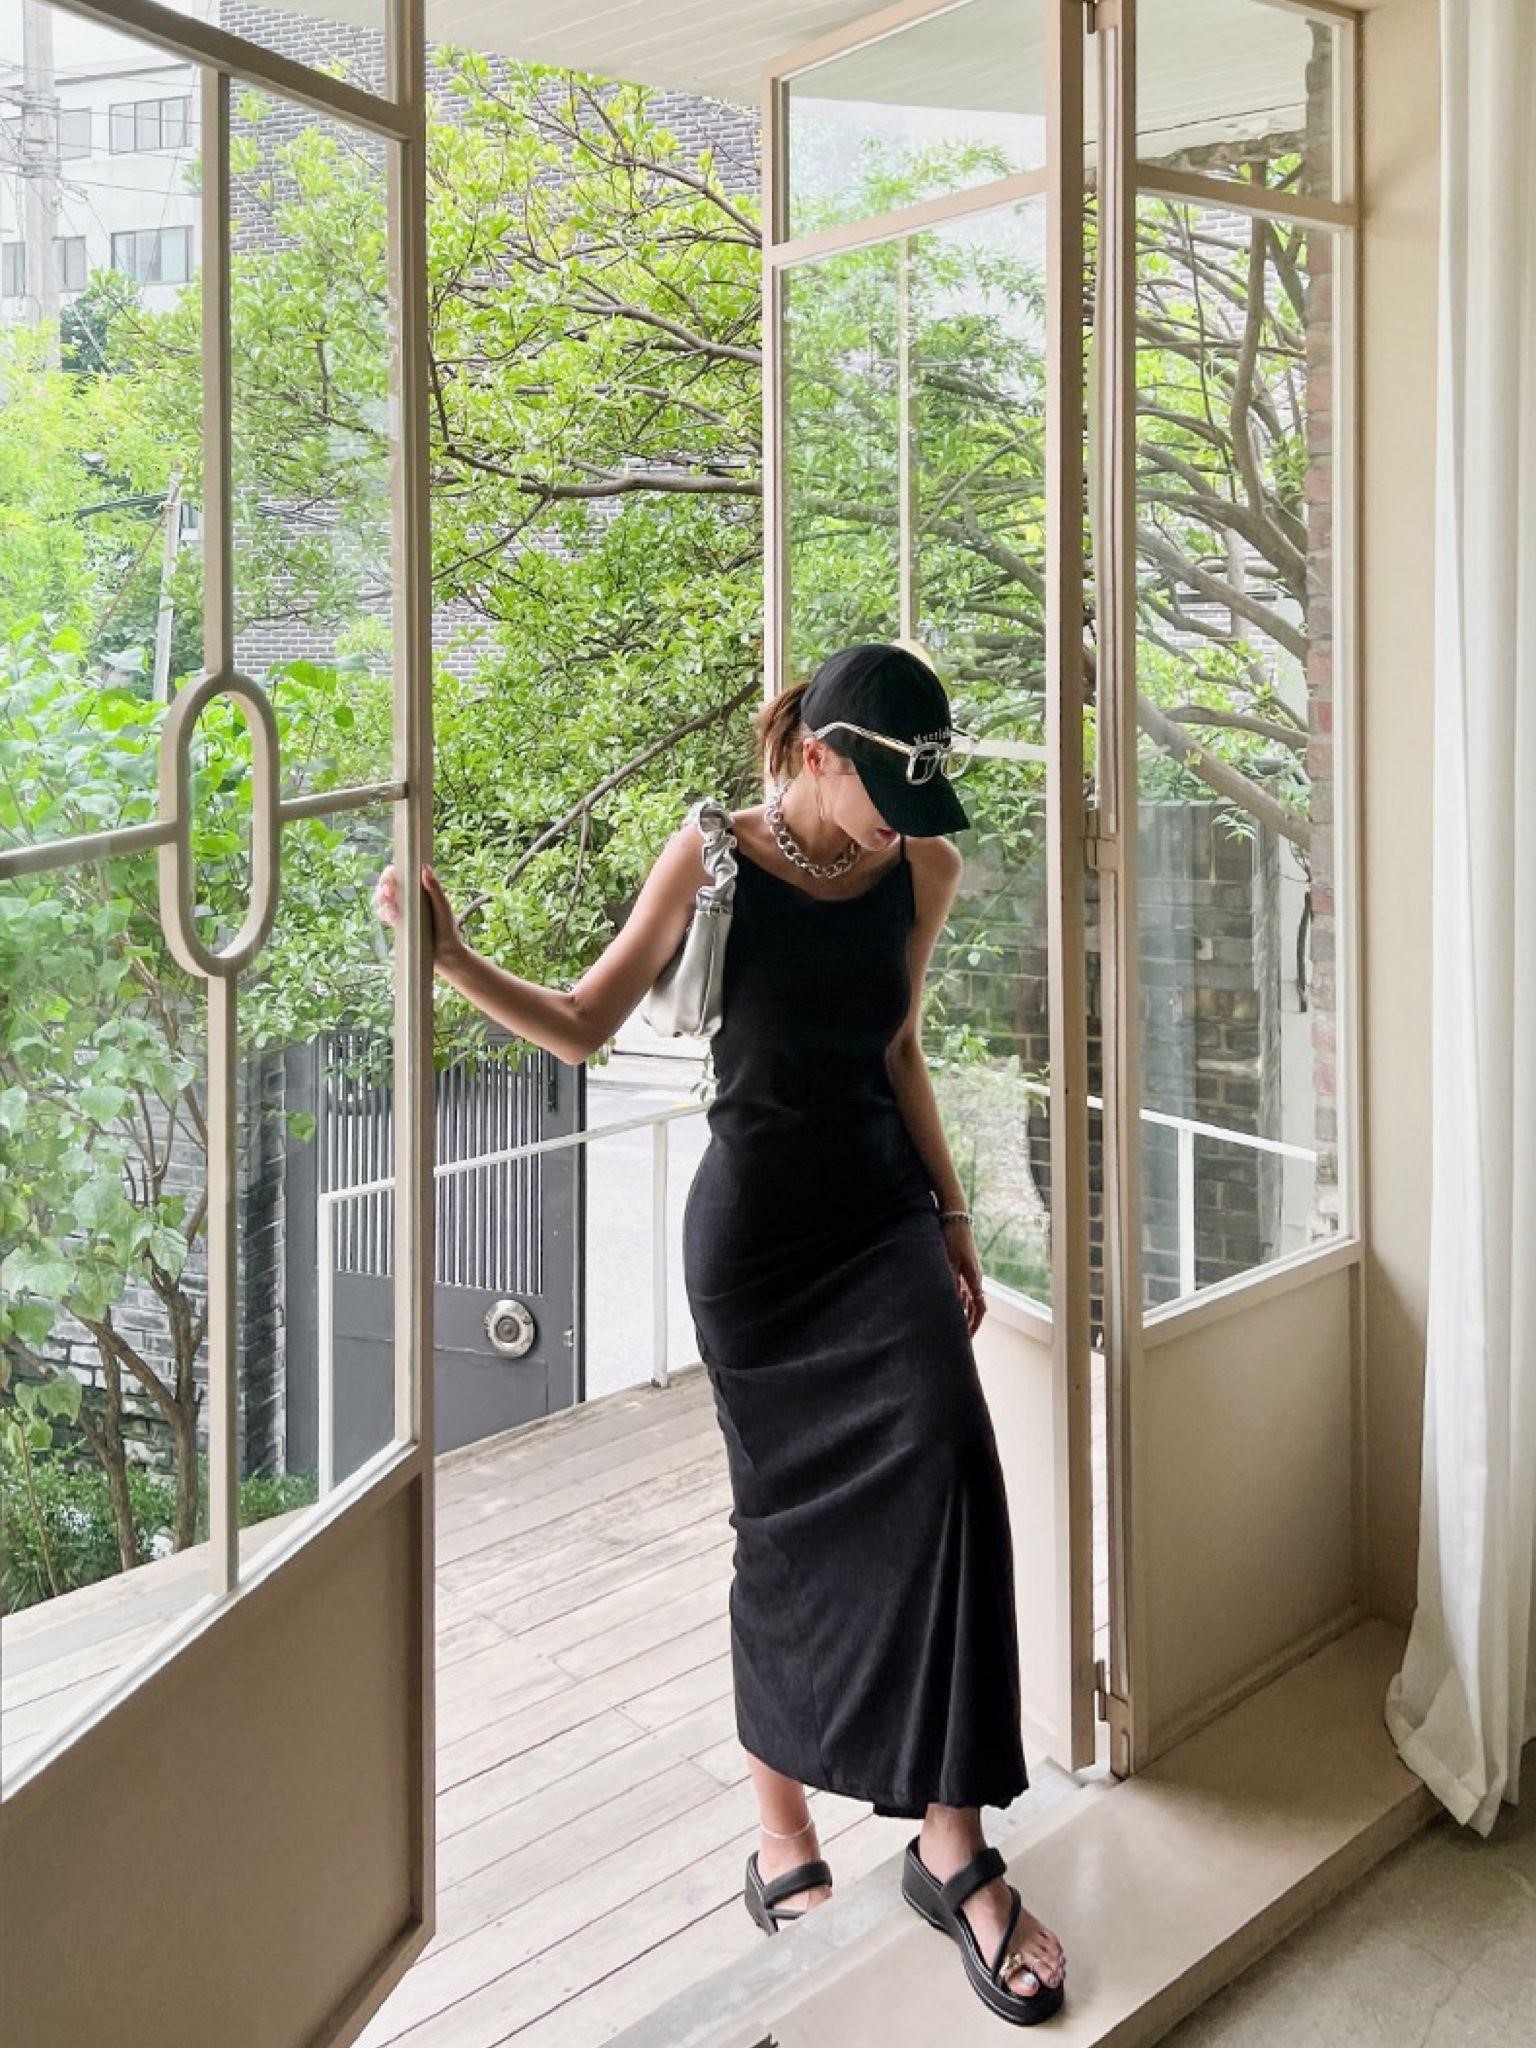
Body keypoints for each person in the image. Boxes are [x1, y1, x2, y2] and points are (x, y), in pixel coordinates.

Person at [373, 641, 1067, 2023]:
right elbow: (580, 1024)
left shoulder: (922, 870)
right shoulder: (712, 862)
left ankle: (952, 1848)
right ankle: (782, 1840)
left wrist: (952, 1217)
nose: (904, 830)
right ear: (816, 755)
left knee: (953, 1480)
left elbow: (899, 1048)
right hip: (760, 1251)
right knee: (782, 1531)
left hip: (881, 1219)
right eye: (885, 798)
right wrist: (449, 959)